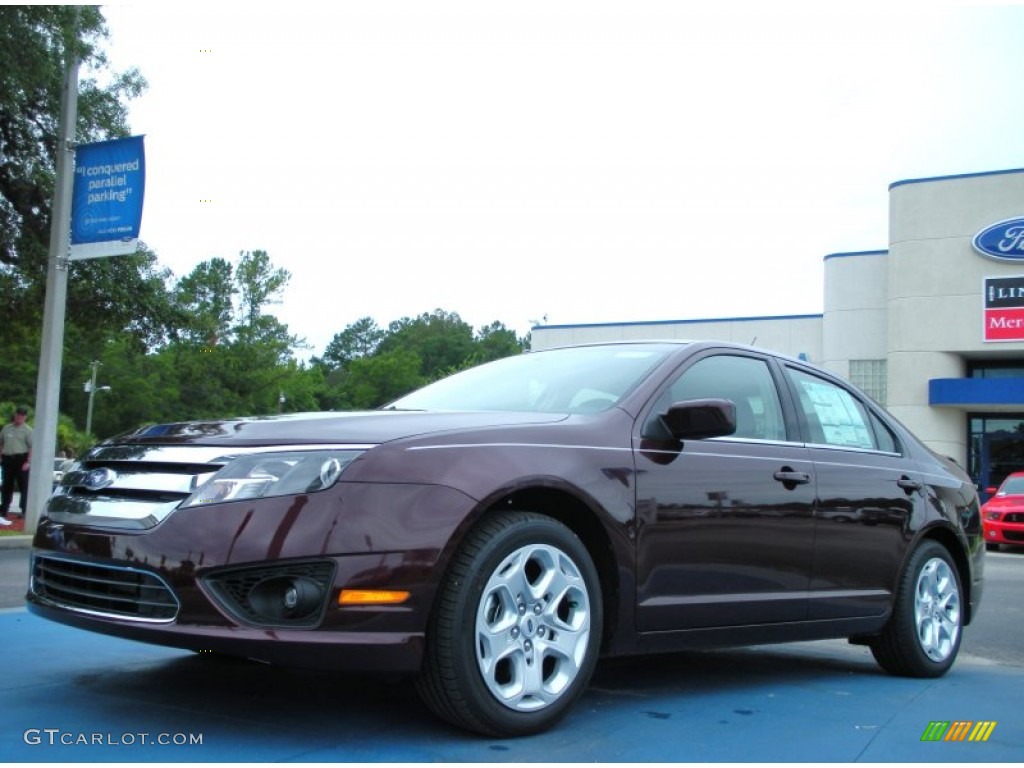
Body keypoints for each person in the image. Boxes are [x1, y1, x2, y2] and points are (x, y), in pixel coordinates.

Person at [0, 405, 33, 525]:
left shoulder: (28, 430)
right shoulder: (7, 428)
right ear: (15, 415)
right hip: (8, 459)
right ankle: (4, 509)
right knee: (6, 486)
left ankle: (24, 510)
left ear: (25, 417)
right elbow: (1, 443)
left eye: (22, 415)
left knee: (23, 486)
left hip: (21, 459)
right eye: (18, 415)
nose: (19, 417)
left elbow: (31, 447)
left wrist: (28, 462)